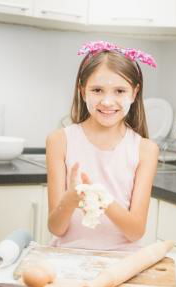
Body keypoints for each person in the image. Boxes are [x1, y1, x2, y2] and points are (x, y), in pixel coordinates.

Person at [46, 41, 159, 251]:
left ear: (134, 93)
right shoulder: (59, 141)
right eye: (97, 90)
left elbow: (135, 232)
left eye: (119, 91)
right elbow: (56, 228)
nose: (107, 101)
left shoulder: (145, 149)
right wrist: (69, 200)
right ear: (82, 91)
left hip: (122, 262)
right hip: (68, 256)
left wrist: (102, 199)